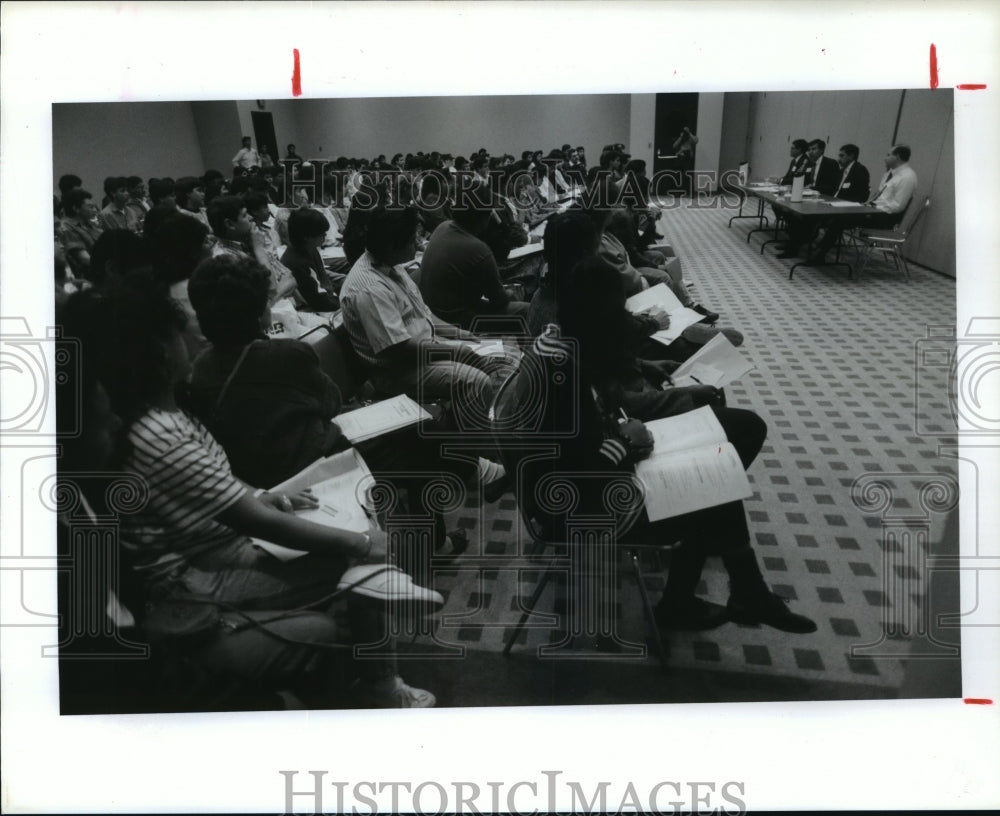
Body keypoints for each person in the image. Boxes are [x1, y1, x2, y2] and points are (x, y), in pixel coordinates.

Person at [75, 273, 437, 708]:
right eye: (177, 333)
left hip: (212, 546)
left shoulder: (166, 410)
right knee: (355, 558)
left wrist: (263, 495)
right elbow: (248, 519)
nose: (191, 336)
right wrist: (359, 543)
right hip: (196, 576)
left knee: (352, 551)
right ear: (152, 354)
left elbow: (217, 487)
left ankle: (378, 610)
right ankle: (380, 683)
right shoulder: (159, 433)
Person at [498, 252, 817, 635]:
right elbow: (579, 467)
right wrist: (627, 442)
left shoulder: (561, 341)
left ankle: (730, 594)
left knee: (715, 469)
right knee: (713, 482)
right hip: (574, 502)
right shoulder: (563, 370)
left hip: (573, 477)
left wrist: (622, 427)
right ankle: (716, 597)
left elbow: (585, 423)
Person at [185, 254, 472, 561]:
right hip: (314, 464)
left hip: (253, 479)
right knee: (419, 436)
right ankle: (437, 541)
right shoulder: (287, 354)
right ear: (259, 314)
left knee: (417, 433)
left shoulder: (198, 369)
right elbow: (331, 402)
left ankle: (469, 473)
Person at [339, 206, 511, 494]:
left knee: (495, 358)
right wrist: (456, 351)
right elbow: (398, 350)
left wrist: (459, 335)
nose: (419, 242)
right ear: (394, 245)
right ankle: (470, 464)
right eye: (413, 238)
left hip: (420, 352)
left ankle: (472, 444)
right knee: (474, 380)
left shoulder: (392, 266)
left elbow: (425, 316)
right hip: (395, 371)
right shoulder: (369, 288)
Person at [419, 184, 530, 333]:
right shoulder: (478, 249)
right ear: (485, 216)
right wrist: (511, 293)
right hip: (458, 320)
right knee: (526, 309)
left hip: (434, 313)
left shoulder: (443, 227)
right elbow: (499, 301)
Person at [801, 145, 916, 265]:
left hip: (885, 217)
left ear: (897, 157)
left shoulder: (907, 177)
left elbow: (898, 206)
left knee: (839, 219)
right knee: (835, 215)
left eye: (888, 155)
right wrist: (867, 205)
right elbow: (879, 197)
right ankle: (817, 248)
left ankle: (820, 255)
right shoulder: (890, 174)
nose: (884, 158)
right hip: (873, 211)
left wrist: (871, 208)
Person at [280, 208, 342, 311]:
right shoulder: (296, 263)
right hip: (312, 308)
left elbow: (324, 280)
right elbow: (318, 301)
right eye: (322, 234)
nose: (325, 236)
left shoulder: (310, 247)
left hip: (326, 297)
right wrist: (343, 303)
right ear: (307, 237)